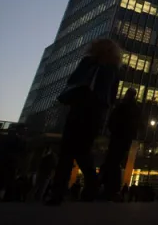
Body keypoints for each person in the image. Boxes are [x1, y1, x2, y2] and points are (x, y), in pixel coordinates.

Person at [45, 38, 122, 205]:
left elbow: (109, 95)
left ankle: (79, 187)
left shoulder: (106, 67)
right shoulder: (98, 65)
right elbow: (110, 97)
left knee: (76, 151)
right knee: (73, 151)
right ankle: (63, 191)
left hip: (87, 110)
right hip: (87, 110)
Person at [101, 87, 141, 200]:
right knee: (114, 162)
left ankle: (110, 188)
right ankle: (111, 189)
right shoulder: (134, 109)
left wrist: (112, 129)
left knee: (112, 162)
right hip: (124, 139)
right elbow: (136, 125)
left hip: (118, 137)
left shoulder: (123, 106)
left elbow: (113, 120)